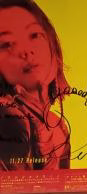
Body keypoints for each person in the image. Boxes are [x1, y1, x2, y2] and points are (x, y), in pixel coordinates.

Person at [0, 0, 70, 171]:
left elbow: (62, 186)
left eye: (34, 35)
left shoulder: (58, 126)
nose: (26, 51)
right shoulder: (10, 119)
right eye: (7, 43)